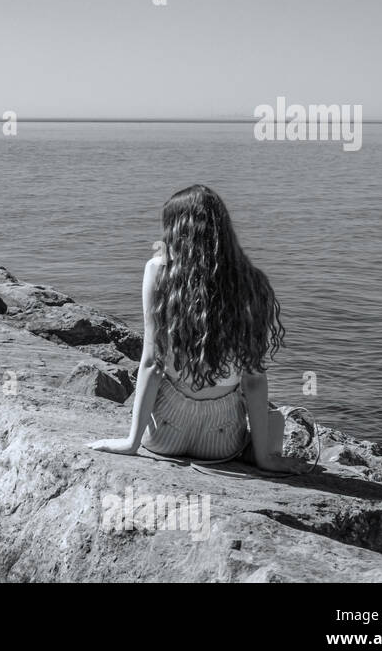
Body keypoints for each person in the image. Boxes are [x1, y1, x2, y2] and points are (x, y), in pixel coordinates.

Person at [87, 185, 309, 474]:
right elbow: (254, 379)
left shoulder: (158, 271)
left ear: (178, 230)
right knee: (271, 414)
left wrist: (131, 442)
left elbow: (152, 363)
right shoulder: (252, 283)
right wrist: (265, 458)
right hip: (220, 441)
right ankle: (253, 451)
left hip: (164, 436)